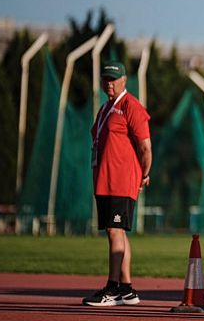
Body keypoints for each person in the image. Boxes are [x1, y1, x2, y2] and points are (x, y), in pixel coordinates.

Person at [83, 61, 152, 307]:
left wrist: (145, 173)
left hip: (122, 180)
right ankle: (127, 289)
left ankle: (112, 288)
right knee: (117, 232)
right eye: (105, 79)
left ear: (124, 80)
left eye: (113, 79)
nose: (108, 83)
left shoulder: (130, 106)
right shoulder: (106, 108)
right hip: (105, 180)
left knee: (114, 231)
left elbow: (145, 146)